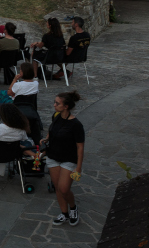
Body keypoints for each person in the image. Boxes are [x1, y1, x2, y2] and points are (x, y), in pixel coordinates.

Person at [43, 91, 84, 226]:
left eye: (57, 103)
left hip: (68, 159)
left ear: (66, 106)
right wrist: (47, 138)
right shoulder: (56, 116)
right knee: (57, 187)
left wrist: (78, 168)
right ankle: (64, 213)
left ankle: (73, 208)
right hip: (53, 157)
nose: (54, 105)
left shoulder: (76, 125)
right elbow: (52, 129)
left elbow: (80, 147)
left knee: (64, 188)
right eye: (55, 102)